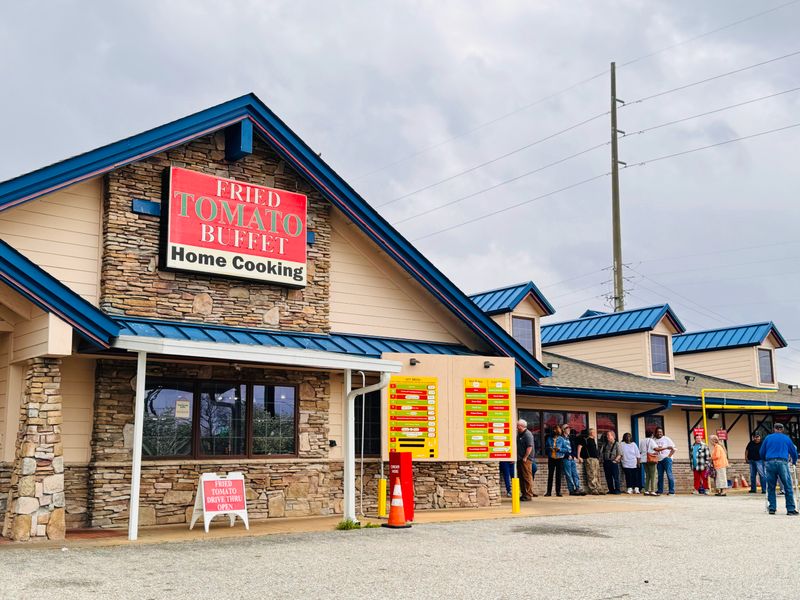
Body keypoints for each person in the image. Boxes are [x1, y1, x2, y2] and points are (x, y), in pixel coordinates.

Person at [760, 422, 799, 515]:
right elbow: (793, 452)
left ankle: (772, 508)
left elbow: (761, 452)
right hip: (782, 462)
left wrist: (764, 460)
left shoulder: (768, 438)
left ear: (774, 429)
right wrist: (794, 461)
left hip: (770, 462)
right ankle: (790, 509)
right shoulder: (786, 438)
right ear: (782, 429)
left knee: (771, 486)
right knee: (787, 486)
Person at [544, 425, 570, 497]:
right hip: (551, 458)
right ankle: (548, 492)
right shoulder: (549, 439)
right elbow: (545, 448)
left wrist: (560, 449)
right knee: (550, 475)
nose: (556, 434)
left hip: (559, 458)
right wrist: (549, 449)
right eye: (555, 432)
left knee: (558, 476)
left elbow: (566, 449)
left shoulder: (561, 439)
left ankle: (558, 492)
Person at [577, 428, 605, 495]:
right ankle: (593, 489)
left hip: (595, 459)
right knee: (591, 474)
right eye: (594, 432)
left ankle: (599, 488)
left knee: (597, 474)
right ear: (591, 433)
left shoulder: (593, 440)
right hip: (589, 459)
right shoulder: (586, 439)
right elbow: (579, 447)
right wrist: (578, 456)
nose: (595, 434)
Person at [562, 426, 586, 496]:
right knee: (569, 475)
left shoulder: (570, 438)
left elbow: (574, 448)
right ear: (563, 430)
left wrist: (573, 455)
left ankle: (578, 488)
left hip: (572, 458)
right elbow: (560, 449)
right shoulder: (561, 439)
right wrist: (567, 455)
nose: (569, 430)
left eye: (569, 429)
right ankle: (572, 490)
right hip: (566, 459)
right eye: (567, 429)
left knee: (575, 474)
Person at [653, 427, 676, 496]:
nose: (660, 433)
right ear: (656, 433)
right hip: (659, 460)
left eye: (661, 432)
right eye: (658, 432)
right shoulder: (653, 440)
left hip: (666, 459)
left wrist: (669, 456)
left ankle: (671, 491)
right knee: (660, 476)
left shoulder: (666, 439)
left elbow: (673, 448)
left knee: (669, 474)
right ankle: (660, 490)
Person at [516, 419, 535, 501]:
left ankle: (528, 494)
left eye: (518, 425)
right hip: (519, 458)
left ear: (522, 426)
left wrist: (525, 457)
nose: (517, 427)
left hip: (526, 459)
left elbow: (529, 447)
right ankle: (524, 493)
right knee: (521, 476)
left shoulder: (528, 434)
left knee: (527, 477)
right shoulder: (519, 434)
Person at [640, 430, 657, 496]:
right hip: (651, 459)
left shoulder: (642, 441)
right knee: (653, 475)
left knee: (647, 475)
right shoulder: (651, 440)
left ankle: (646, 490)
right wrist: (664, 448)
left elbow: (640, 451)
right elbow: (655, 448)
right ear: (652, 435)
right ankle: (653, 491)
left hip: (644, 460)